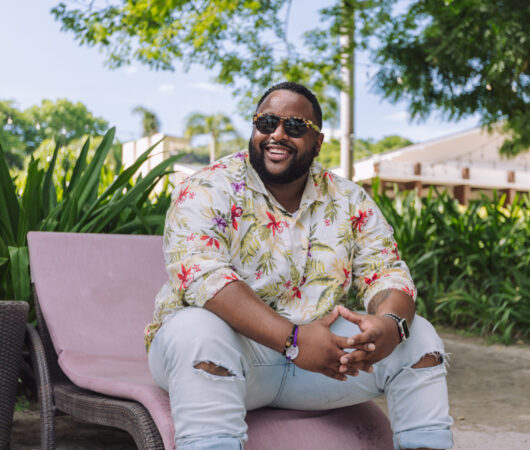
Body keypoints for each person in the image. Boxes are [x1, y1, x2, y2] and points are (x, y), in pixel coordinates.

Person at [145, 81, 453, 449]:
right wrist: (292, 340)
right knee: (196, 330)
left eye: (294, 127)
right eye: (266, 122)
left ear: (318, 142)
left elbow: (386, 271)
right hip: (227, 355)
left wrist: (390, 324)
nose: (277, 134)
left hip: (320, 361)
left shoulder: (348, 198)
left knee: (418, 336)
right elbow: (204, 278)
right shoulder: (207, 188)